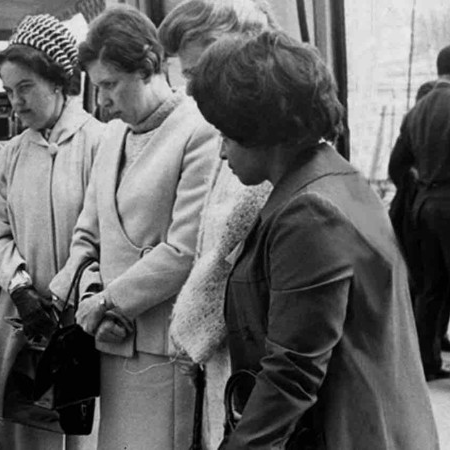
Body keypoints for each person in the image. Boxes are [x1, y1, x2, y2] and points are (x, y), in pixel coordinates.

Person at [189, 30, 439, 449]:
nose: (221, 152)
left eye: (226, 135)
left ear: (261, 128)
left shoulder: (308, 213)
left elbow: (292, 372)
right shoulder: (335, 181)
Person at [48, 6, 220, 449]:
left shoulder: (200, 132)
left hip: (165, 346)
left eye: (109, 85)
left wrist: (111, 301)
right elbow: (86, 238)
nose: (102, 102)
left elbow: (185, 250)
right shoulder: (111, 139)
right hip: (109, 343)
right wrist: (90, 300)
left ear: (148, 66)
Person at [0, 13, 104, 450]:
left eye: (25, 88)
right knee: (23, 436)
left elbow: (108, 237)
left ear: (58, 81)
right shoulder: (9, 158)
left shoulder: (103, 145)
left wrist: (69, 292)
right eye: (8, 91)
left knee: (83, 434)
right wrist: (20, 291)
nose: (15, 102)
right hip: (24, 321)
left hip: (84, 322)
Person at [157, 1, 275, 448]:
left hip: (250, 351)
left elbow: (226, 253)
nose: (189, 90)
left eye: (194, 73)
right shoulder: (232, 130)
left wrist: (185, 336)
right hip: (230, 348)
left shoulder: (259, 140)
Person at [389, 45, 450, 379]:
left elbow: (396, 167)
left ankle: (426, 365)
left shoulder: (417, 111)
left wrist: (421, 184)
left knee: (430, 287)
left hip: (424, 208)